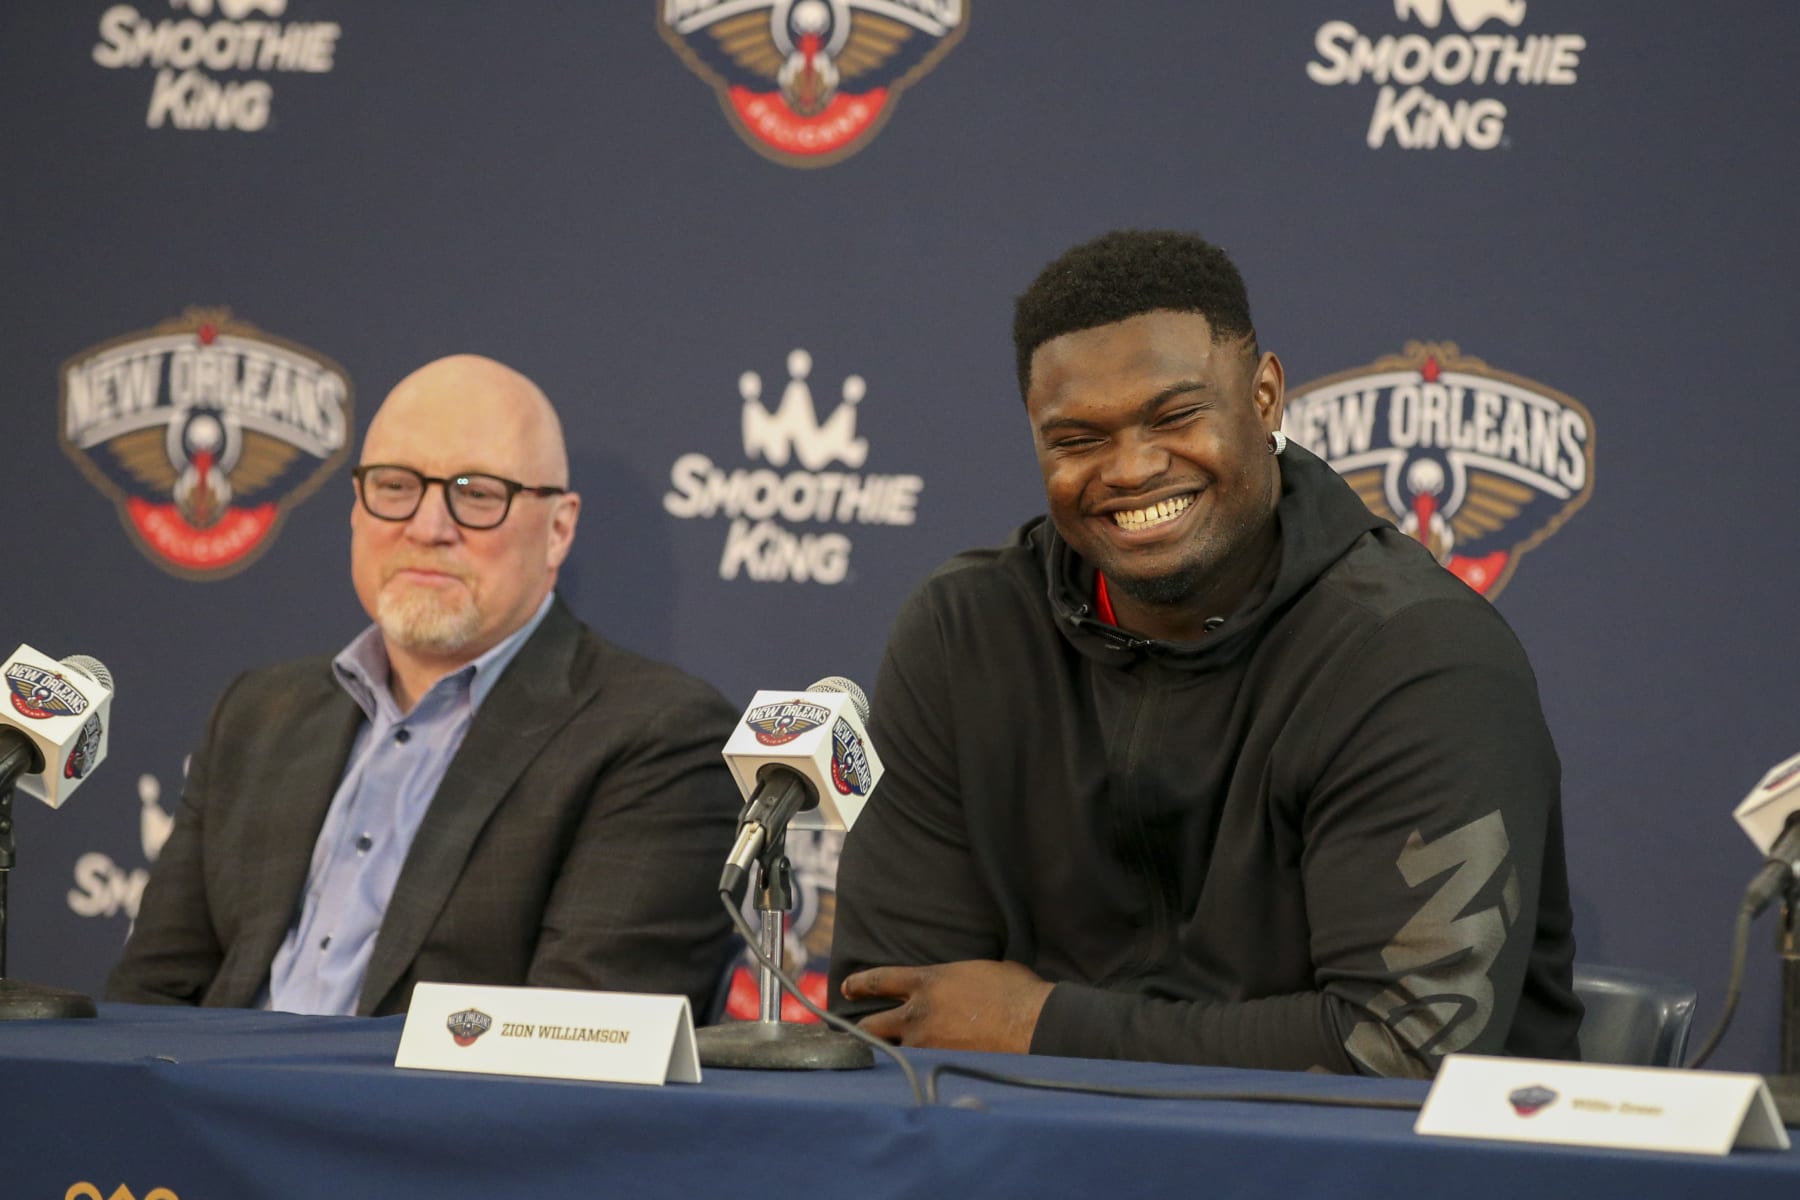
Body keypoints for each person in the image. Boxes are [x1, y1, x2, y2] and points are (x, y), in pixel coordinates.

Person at [827, 231, 1581, 1076]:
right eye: (1076, 440)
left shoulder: (1416, 658)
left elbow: (1403, 1052)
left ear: (1264, 400)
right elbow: (892, 1016)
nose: (1132, 469)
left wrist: (1040, 1024)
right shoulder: (965, 638)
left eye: (1175, 416)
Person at [108, 354, 742, 1018]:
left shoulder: (659, 736)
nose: (427, 527)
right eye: (395, 485)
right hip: (205, 1115)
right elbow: (146, 1007)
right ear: (357, 508)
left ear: (559, 530)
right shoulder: (258, 715)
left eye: (476, 494)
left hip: (424, 1121)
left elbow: (574, 1051)